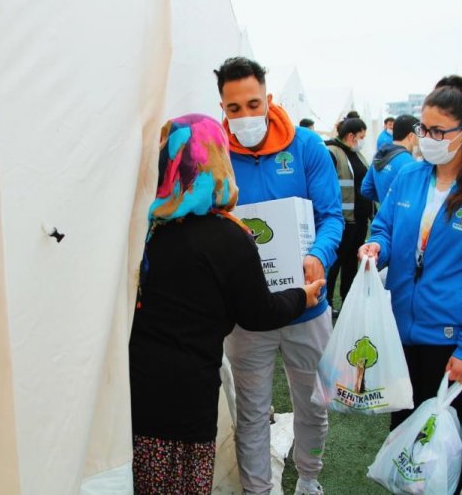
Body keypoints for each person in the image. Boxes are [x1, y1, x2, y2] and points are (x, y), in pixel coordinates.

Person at [129, 114, 326, 494]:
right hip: (189, 396)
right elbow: (258, 313)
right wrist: (302, 295)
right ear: (219, 161)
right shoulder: (228, 237)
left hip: (139, 389)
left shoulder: (147, 228)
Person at [214, 56, 343, 495]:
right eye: (234, 109)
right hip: (248, 311)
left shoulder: (307, 147)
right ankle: (258, 491)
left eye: (253, 104)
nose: (245, 116)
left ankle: (309, 478)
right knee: (252, 411)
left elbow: (331, 217)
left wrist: (318, 255)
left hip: (307, 304)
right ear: (223, 109)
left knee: (314, 403)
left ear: (269, 99)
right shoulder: (218, 153)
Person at [359, 75, 462, 432]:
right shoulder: (410, 177)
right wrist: (377, 247)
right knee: (401, 433)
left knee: (436, 444)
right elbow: (385, 227)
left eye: (439, 132)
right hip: (400, 331)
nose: (428, 139)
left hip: (448, 341)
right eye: (424, 129)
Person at [324, 118, 373, 315]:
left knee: (351, 266)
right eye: (361, 137)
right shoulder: (332, 153)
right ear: (351, 136)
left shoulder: (357, 154)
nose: (362, 141)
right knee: (334, 265)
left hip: (358, 222)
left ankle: (348, 306)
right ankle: (326, 305)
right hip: (342, 222)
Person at [361, 114, 420, 203]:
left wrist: (385, 202)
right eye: (418, 135)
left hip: (383, 214)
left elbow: (365, 189)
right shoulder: (409, 163)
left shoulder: (379, 155)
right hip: (400, 216)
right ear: (411, 136)